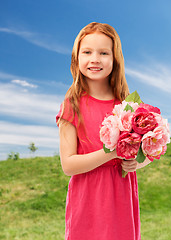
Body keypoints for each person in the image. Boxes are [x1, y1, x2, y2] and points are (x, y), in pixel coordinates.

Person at [56, 22, 150, 240]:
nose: (95, 59)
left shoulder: (129, 105)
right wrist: (114, 152)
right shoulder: (72, 105)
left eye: (104, 52)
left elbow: (147, 152)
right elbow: (68, 165)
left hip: (121, 199)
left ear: (115, 58)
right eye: (87, 52)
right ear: (76, 58)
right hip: (87, 202)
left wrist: (137, 162)